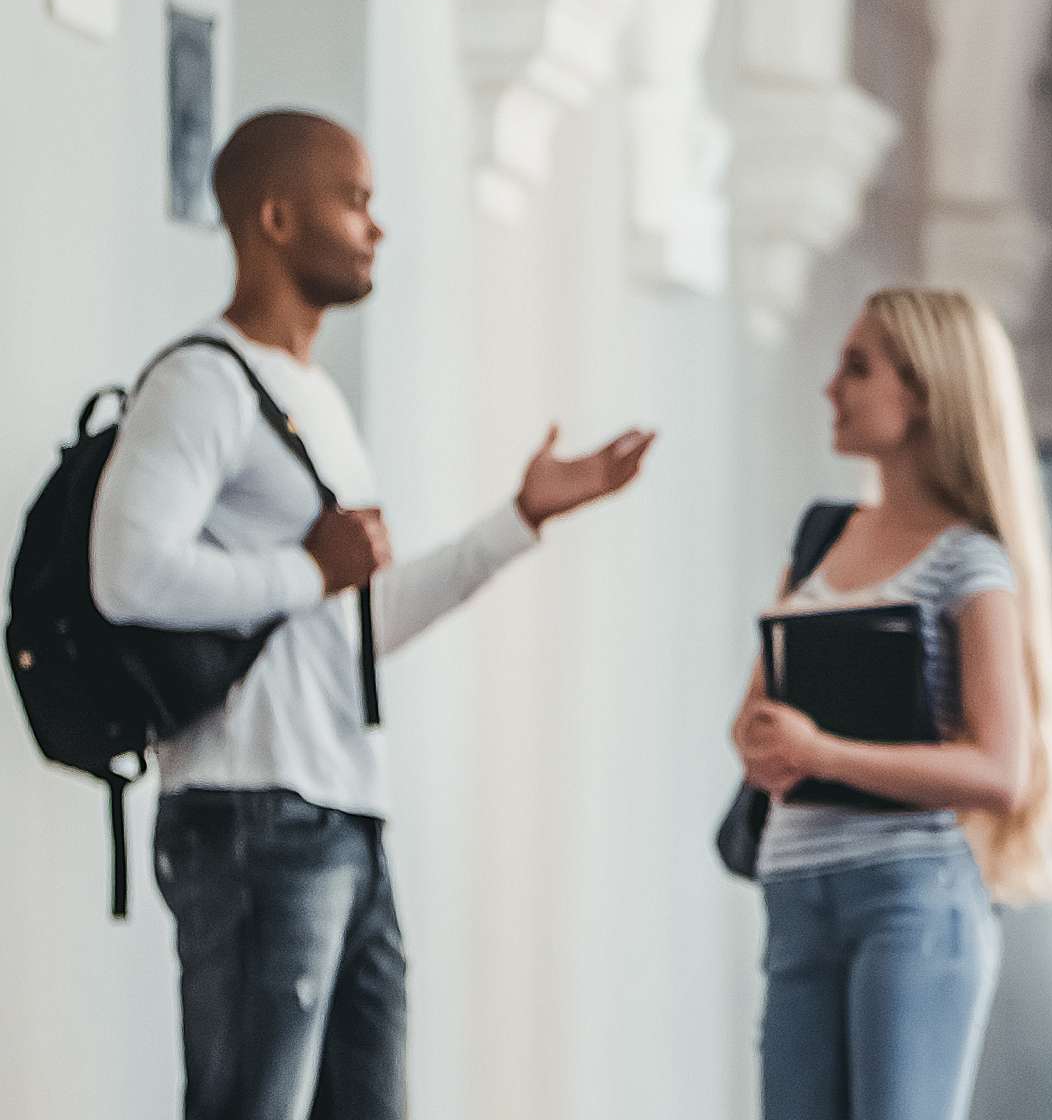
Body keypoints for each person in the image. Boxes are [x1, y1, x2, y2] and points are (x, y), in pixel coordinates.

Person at [88, 109, 656, 1120]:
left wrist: (520, 518)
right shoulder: (202, 383)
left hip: (345, 815)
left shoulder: (317, 400)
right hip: (249, 811)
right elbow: (126, 573)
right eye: (353, 198)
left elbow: (355, 626)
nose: (375, 226)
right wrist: (308, 570)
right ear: (273, 217)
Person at [733, 287, 1052, 1120]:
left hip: (910, 896)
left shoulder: (971, 564)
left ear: (925, 394)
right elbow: (753, 716)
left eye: (858, 368)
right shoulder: (821, 538)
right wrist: (765, 740)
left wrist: (820, 754)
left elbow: (1001, 770)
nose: (832, 388)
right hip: (794, 888)